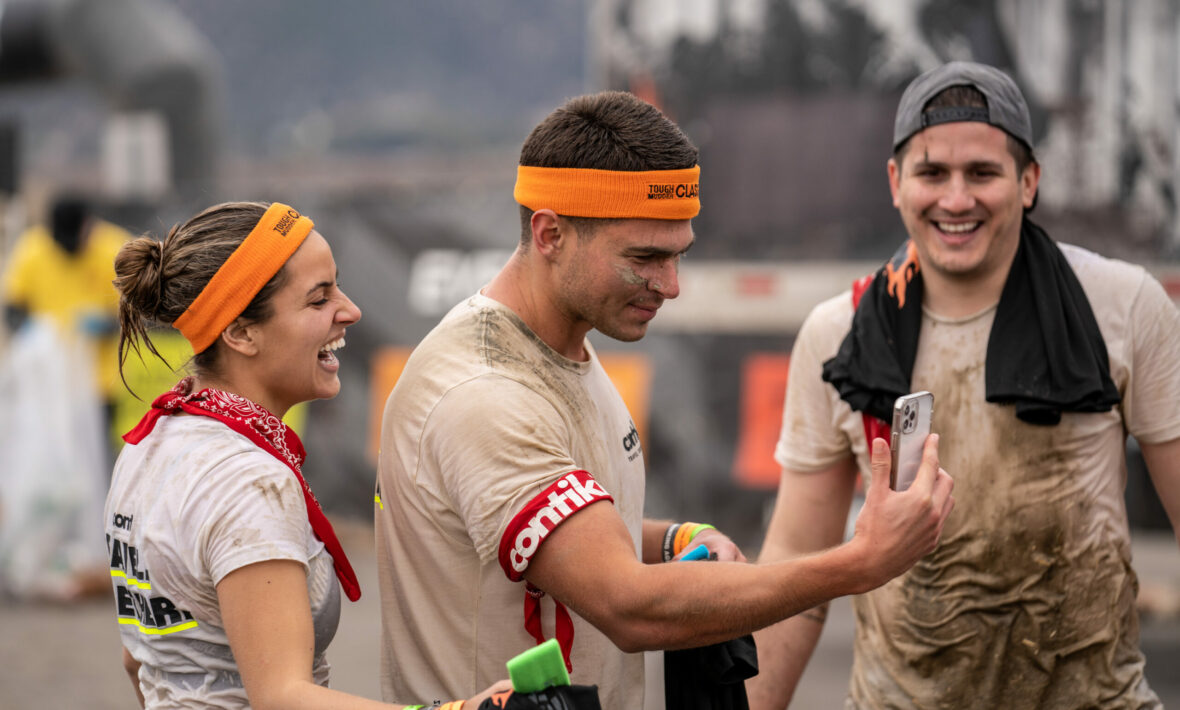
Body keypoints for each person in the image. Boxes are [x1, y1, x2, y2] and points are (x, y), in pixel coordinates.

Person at [373, 90, 955, 709]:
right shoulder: (483, 392)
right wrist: (860, 563)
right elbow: (630, 607)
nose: (671, 286)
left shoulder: (557, 341)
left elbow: (541, 532)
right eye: (645, 257)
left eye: (678, 254)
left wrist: (671, 538)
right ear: (550, 234)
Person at [748, 61, 1180, 709]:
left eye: (982, 173)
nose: (956, 200)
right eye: (932, 173)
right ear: (895, 183)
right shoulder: (839, 337)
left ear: (1028, 181)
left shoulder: (1122, 306)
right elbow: (794, 565)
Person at [106, 201, 508, 709]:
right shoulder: (248, 481)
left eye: (337, 286)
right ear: (240, 332)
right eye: (319, 300)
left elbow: (140, 658)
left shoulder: (152, 442)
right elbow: (283, 699)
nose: (351, 310)